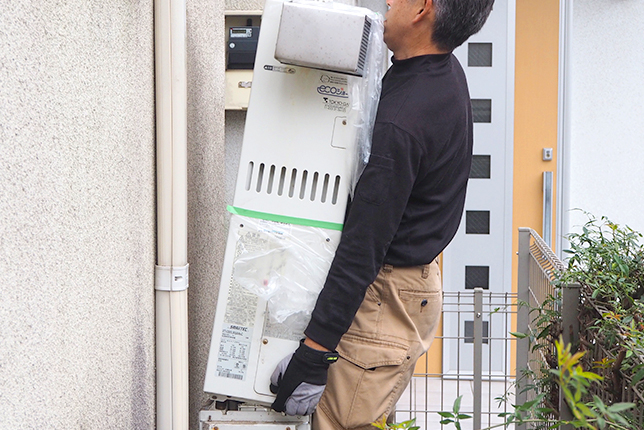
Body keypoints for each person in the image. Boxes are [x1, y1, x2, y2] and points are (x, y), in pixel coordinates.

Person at [269, 0, 495, 427]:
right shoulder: (439, 72)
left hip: (386, 297)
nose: (388, 2)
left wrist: (314, 353)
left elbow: (364, 245)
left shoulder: (407, 117)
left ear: (423, 9)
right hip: (410, 286)